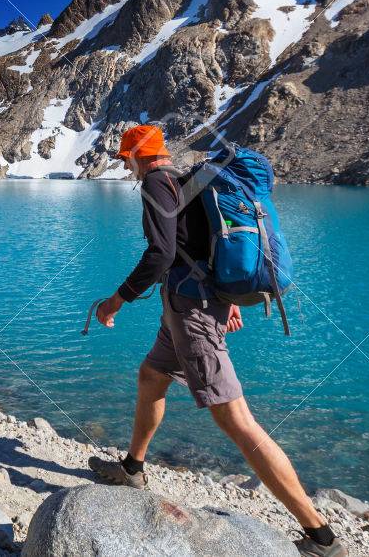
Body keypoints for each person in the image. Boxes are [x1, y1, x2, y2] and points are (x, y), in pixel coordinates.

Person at [87, 124, 344, 557]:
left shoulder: (154, 183)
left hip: (191, 314)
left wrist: (116, 300)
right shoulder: (189, 177)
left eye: (125, 158)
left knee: (237, 421)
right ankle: (133, 468)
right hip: (190, 305)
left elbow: (161, 253)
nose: (125, 167)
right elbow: (207, 243)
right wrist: (229, 298)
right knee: (152, 375)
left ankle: (321, 536)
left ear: (137, 156)